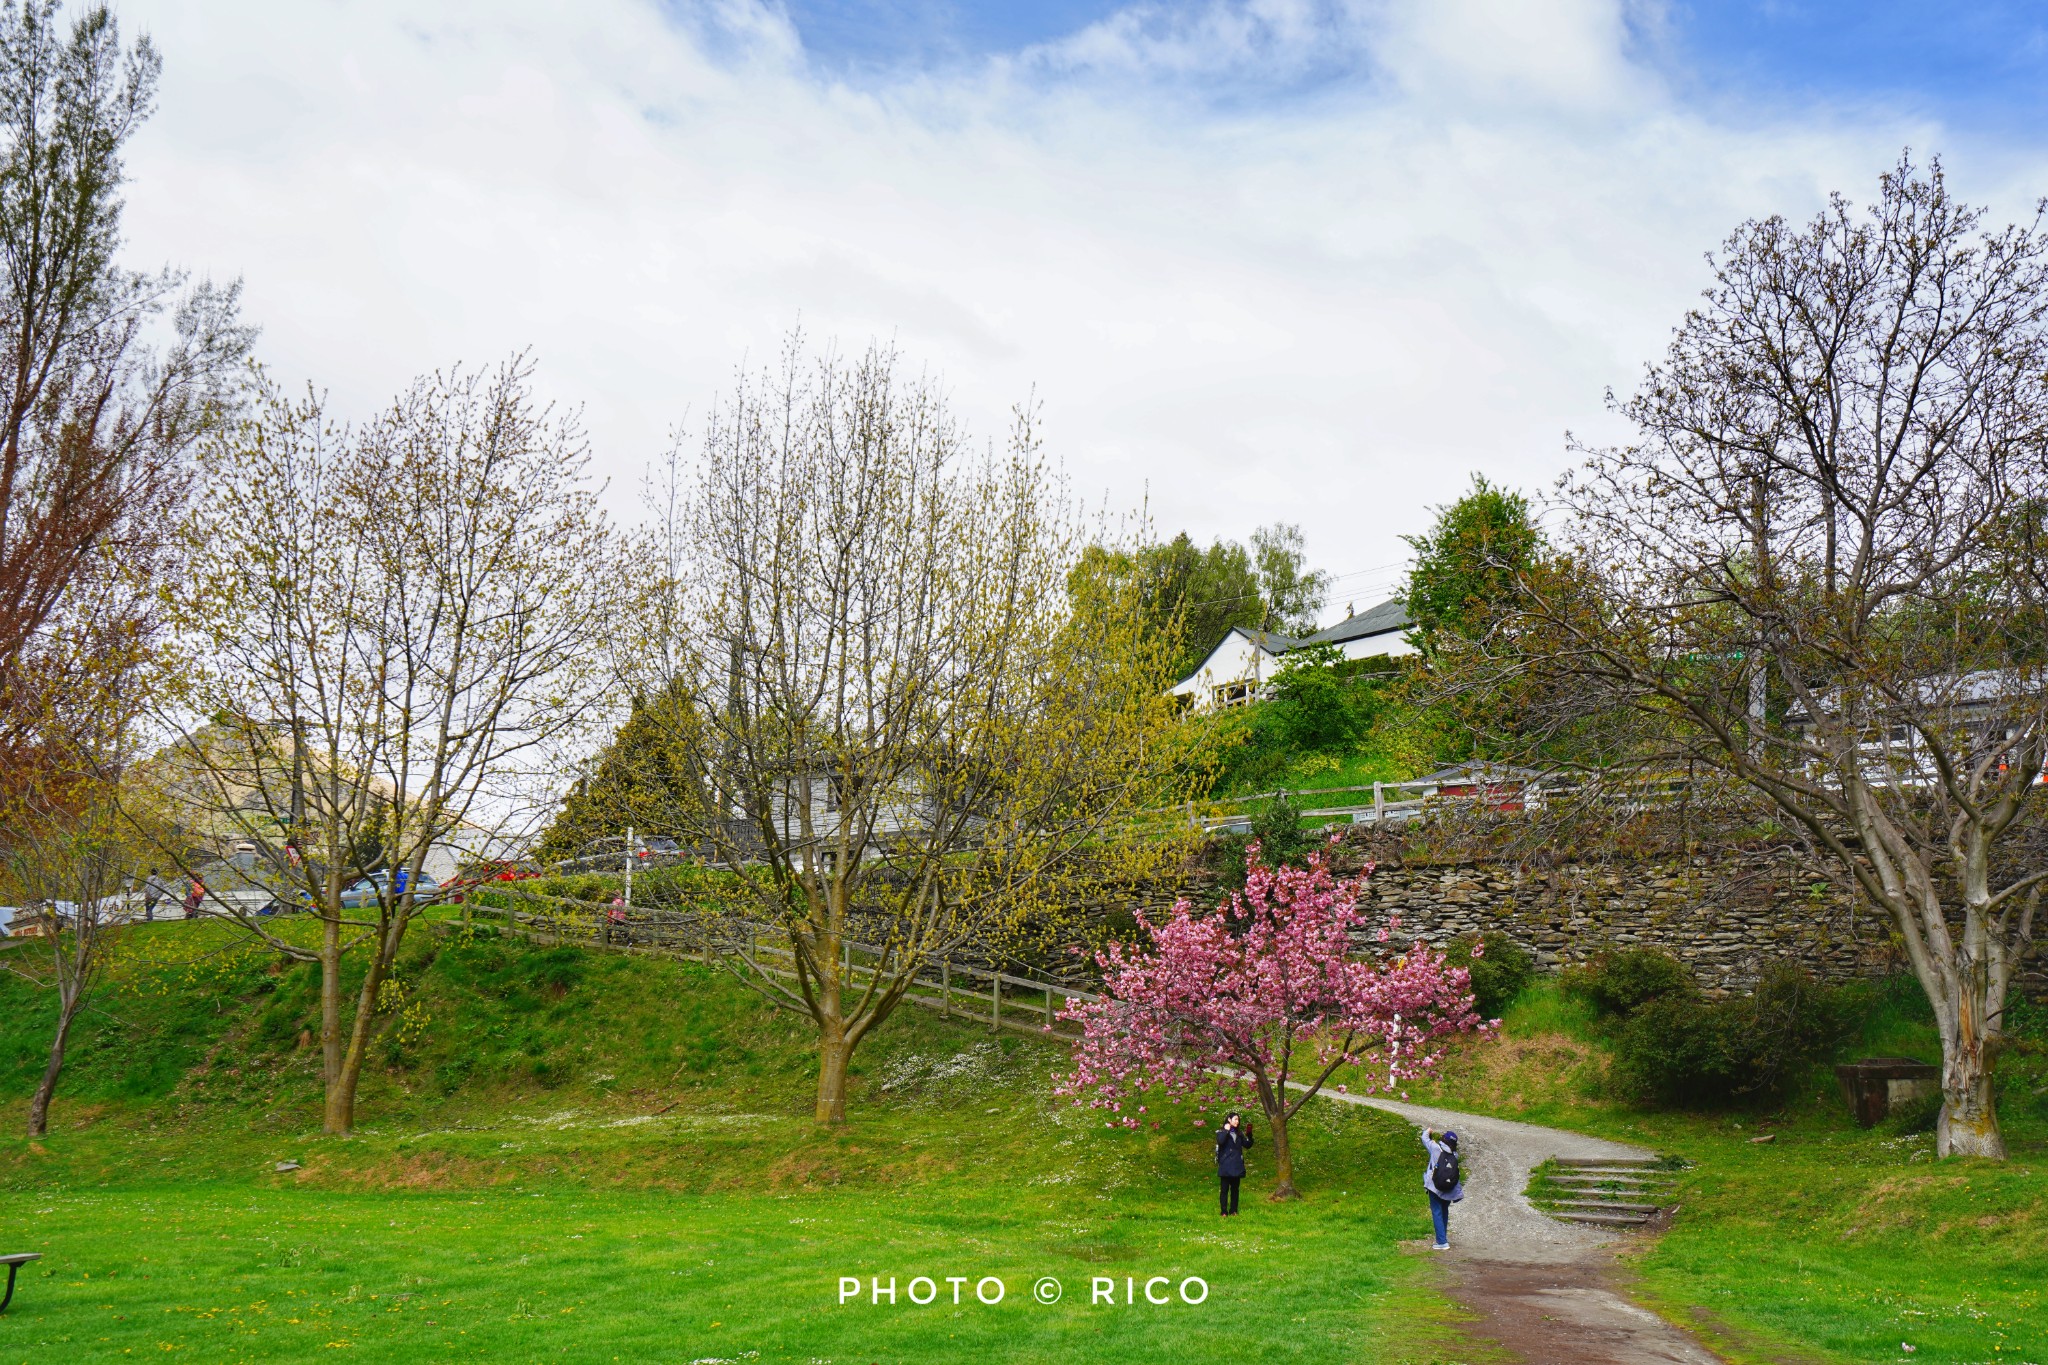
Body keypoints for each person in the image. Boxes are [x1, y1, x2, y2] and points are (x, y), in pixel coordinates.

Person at [1421, 1127, 1463, 1250]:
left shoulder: (1435, 1148)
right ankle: (1442, 1238)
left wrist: (1428, 1132)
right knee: (1444, 1211)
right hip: (1449, 1188)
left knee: (1437, 1212)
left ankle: (1442, 1242)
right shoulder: (1454, 1155)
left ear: (1443, 1140)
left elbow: (1424, 1139)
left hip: (1435, 1187)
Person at [1215, 1111, 1254, 1216]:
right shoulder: (1221, 1132)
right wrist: (1226, 1131)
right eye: (1235, 1119)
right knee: (1224, 1190)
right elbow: (1221, 1141)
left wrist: (1249, 1135)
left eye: (1238, 1119)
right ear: (1229, 1120)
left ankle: (1233, 1210)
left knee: (1235, 1190)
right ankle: (1223, 1211)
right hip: (1226, 1165)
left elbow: (1247, 1145)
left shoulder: (1239, 1134)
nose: (1237, 1121)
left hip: (1236, 1165)